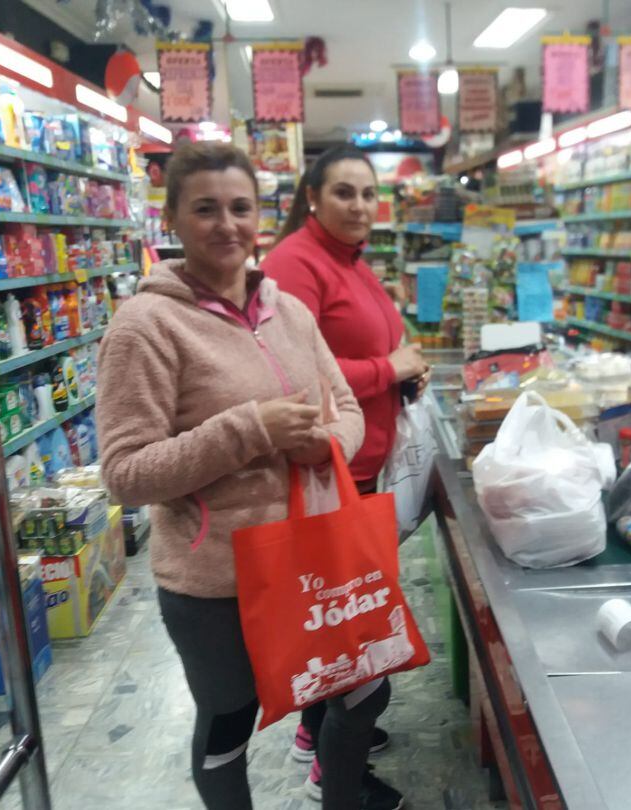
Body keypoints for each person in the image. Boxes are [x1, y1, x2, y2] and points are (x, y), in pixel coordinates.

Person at [96, 142, 402, 810]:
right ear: (172, 217)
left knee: (366, 687)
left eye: (240, 207)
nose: (226, 224)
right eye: (205, 208)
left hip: (315, 559)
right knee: (229, 726)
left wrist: (326, 444)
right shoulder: (145, 326)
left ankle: (342, 800)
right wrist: (251, 430)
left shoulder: (287, 309)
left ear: (261, 214)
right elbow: (124, 473)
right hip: (215, 580)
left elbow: (344, 407)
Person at [261, 146, 426, 804]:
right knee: (352, 646)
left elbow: (371, 343)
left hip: (361, 470)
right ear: (311, 198)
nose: (360, 206)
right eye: (344, 193)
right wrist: (392, 370)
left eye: (368, 193)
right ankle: (336, 775)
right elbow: (301, 379)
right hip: (328, 478)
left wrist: (405, 368)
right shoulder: (294, 265)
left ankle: (318, 733)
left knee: (336, 632)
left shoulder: (350, 260)